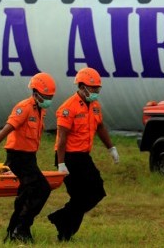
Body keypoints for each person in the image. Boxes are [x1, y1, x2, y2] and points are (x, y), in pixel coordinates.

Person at [0, 72, 57, 243]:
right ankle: (22, 228)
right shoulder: (24, 107)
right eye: (45, 96)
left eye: (50, 96)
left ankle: (12, 233)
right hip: (18, 158)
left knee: (25, 195)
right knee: (42, 189)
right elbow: (6, 130)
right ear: (35, 93)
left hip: (29, 157)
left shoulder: (42, 109)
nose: (48, 99)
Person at [47, 67, 120, 242]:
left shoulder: (94, 106)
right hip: (68, 157)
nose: (96, 92)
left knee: (96, 191)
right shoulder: (68, 108)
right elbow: (62, 138)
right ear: (82, 86)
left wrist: (111, 148)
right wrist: (62, 164)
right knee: (79, 196)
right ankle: (65, 234)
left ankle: (60, 218)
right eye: (93, 88)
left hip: (83, 157)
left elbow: (100, 127)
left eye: (97, 89)